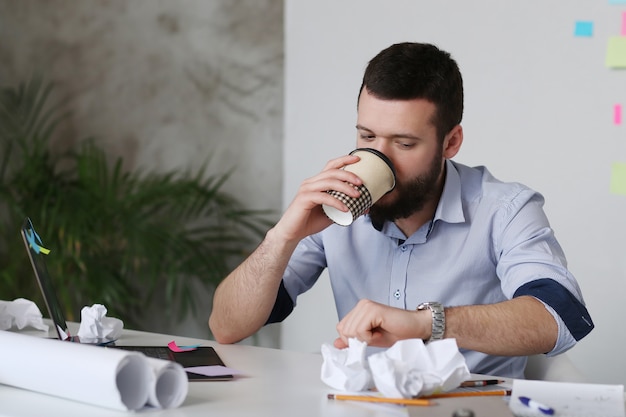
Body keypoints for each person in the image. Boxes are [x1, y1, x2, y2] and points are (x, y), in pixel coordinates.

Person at [209, 42, 594, 378]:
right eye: (367, 136)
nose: (380, 157)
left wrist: (425, 323)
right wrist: (283, 236)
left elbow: (559, 317)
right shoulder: (334, 208)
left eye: (404, 143)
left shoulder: (504, 209)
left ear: (451, 142)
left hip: (470, 406)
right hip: (362, 404)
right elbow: (227, 328)